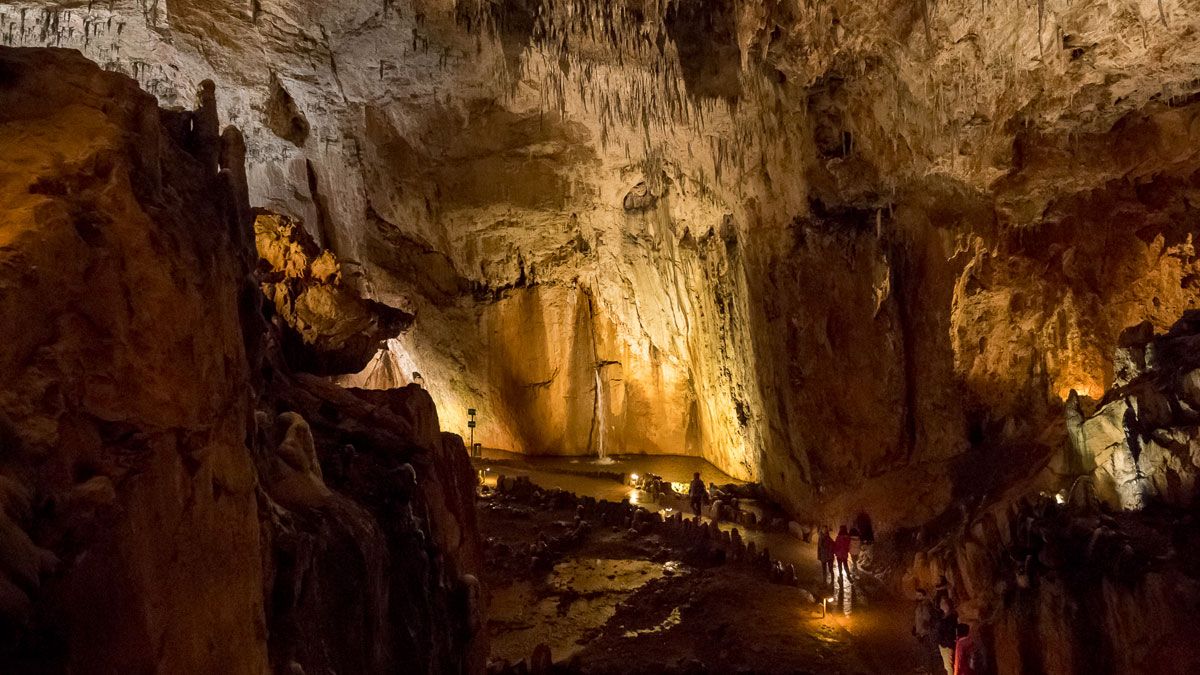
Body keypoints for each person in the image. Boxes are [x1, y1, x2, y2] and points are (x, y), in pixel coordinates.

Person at [912, 589, 940, 673]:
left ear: (924, 596)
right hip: (922, 632)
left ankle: (929, 670)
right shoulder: (920, 605)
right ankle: (926, 667)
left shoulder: (925, 606)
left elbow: (925, 621)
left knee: (927, 651)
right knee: (925, 651)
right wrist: (915, 628)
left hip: (925, 633)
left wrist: (921, 633)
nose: (917, 597)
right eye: (916, 595)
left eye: (919, 595)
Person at [935, 597, 959, 675]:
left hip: (947, 645)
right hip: (945, 644)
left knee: (949, 666)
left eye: (943, 603)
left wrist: (945, 643)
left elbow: (950, 632)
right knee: (948, 666)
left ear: (947, 605)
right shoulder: (945, 616)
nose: (941, 604)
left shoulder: (950, 618)